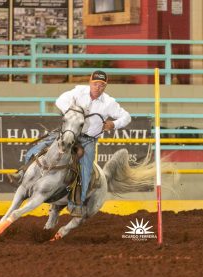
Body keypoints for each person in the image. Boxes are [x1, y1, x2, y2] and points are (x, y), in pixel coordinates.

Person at [8, 70, 131, 216]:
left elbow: (126, 117)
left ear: (105, 86)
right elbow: (60, 100)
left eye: (102, 85)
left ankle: (76, 203)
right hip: (69, 132)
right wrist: (74, 114)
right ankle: (22, 173)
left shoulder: (109, 102)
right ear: (90, 83)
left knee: (85, 168)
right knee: (40, 147)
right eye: (96, 83)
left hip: (87, 140)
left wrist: (114, 124)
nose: (98, 87)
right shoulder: (78, 92)